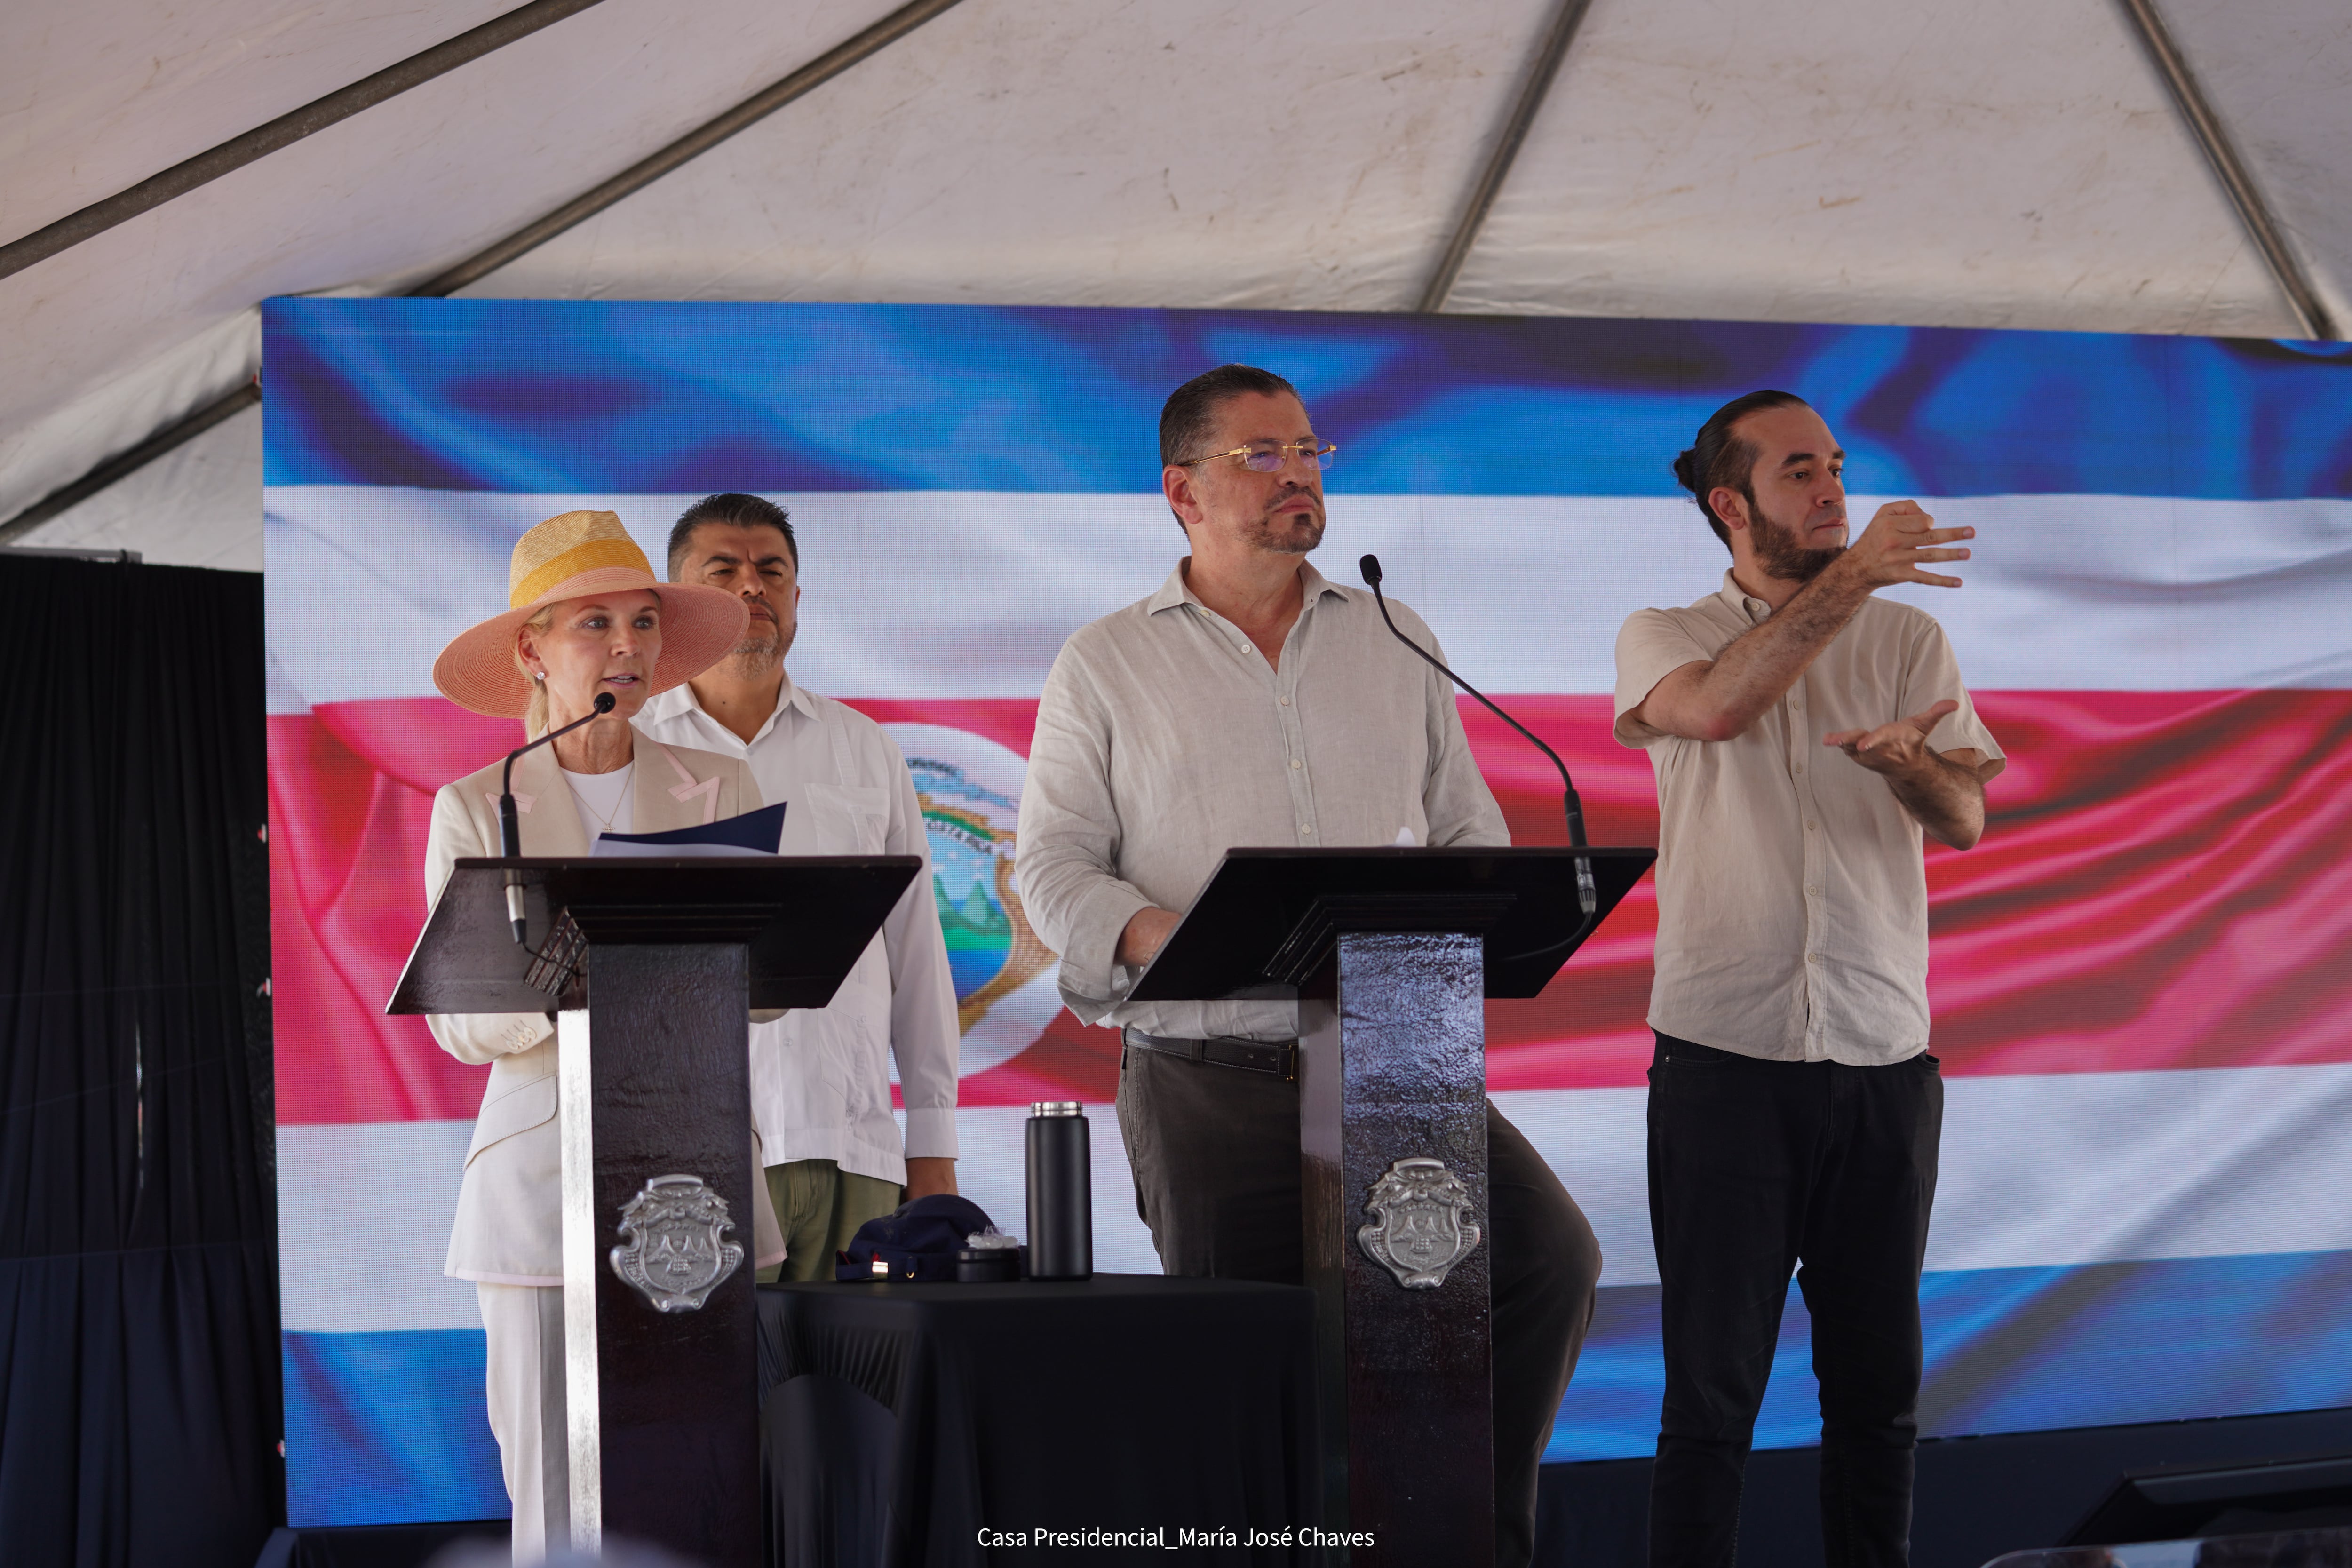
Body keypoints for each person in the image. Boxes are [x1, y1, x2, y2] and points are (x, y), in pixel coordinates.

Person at [1016, 364, 1602, 1568]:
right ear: (1181, 491)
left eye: (1311, 451)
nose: (1300, 474)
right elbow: (1053, 870)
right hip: (1205, 1071)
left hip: (1394, 1064)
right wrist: (1179, 935)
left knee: (1548, 1259)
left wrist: (1471, 909)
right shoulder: (1106, 661)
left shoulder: (1393, 635)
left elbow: (1467, 839)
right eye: (1264, 455)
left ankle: (1459, 1542)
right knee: (1255, 1364)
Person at [1613, 391, 2006, 1568]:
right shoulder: (1661, 631)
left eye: (1836, 466)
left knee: (1878, 1397)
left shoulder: (1907, 643)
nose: (1834, 491)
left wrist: (1911, 772)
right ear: (1729, 504)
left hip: (1883, 1056)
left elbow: (1969, 818)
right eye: (1800, 472)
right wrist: (1856, 578)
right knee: (1709, 1406)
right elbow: (1719, 709)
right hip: (1724, 1062)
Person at [421, 509, 786, 1561]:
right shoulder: (477, 803)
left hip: (694, 1168)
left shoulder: (721, 786)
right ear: (533, 648)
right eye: (595, 623)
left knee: (702, 1459)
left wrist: (655, 959)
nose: (626, 645)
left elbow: (757, 986)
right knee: (549, 1472)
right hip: (538, 1178)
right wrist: (584, 966)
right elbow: (462, 1020)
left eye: (640, 621)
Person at [638, 493, 960, 1280]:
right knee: (712, 1398)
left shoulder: (863, 748)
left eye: (772, 572)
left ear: (797, 598)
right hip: (685, 1156)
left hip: (855, 1148)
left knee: (852, 1396)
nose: (753, 589)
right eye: (724, 571)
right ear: (677, 603)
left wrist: (934, 1146)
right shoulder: (628, 749)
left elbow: (916, 952)